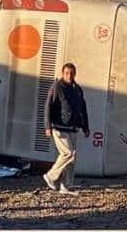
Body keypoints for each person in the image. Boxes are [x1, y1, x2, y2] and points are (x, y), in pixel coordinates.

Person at [42, 62, 89, 196]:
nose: (69, 75)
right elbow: (48, 106)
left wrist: (85, 126)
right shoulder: (57, 86)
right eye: (67, 73)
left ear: (75, 74)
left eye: (71, 73)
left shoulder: (77, 89)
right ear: (62, 74)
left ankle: (66, 185)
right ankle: (50, 176)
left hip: (73, 127)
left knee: (72, 159)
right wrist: (47, 126)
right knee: (68, 153)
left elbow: (82, 108)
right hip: (59, 126)